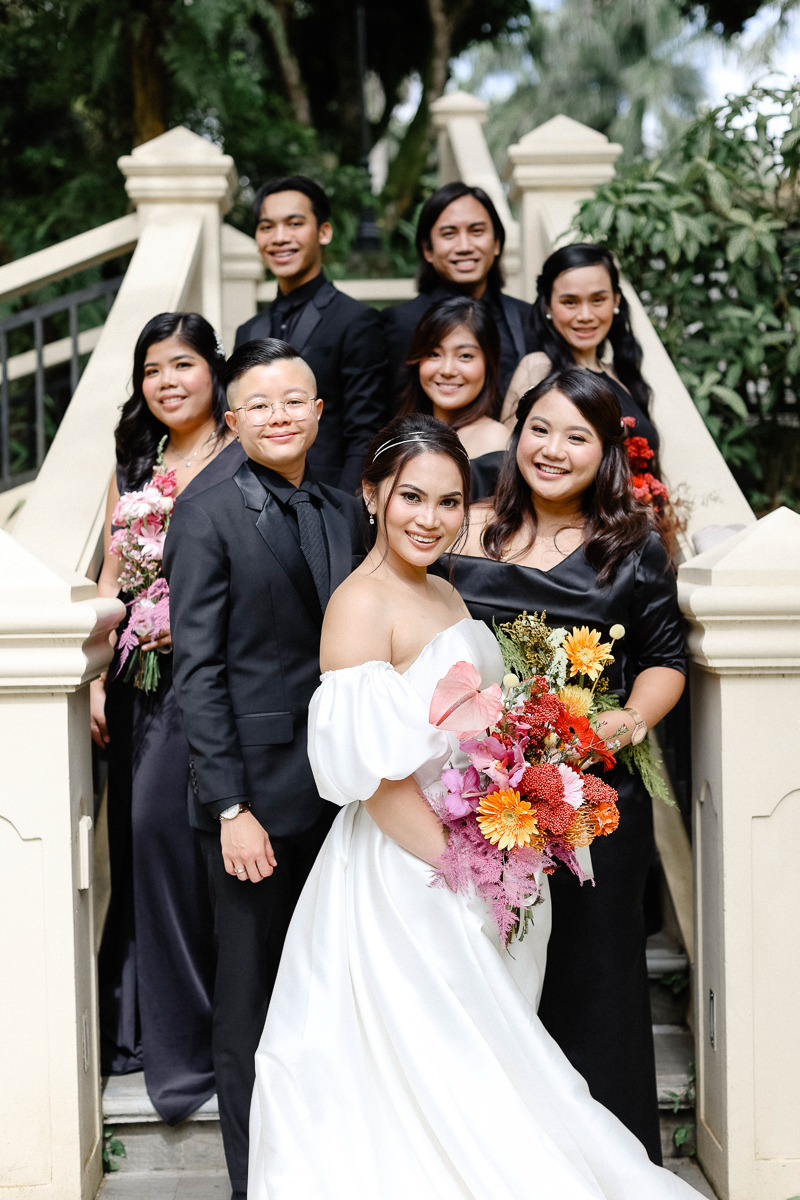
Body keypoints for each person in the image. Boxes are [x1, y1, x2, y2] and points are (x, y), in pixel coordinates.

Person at [247, 412, 696, 1199]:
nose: (431, 518)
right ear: (372, 495)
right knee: (438, 1064)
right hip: (407, 876)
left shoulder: (446, 590)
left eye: (450, 501)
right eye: (411, 497)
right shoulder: (360, 606)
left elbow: (473, 726)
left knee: (486, 1065)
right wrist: (468, 874)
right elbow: (378, 780)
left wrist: (518, 812)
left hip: (478, 848)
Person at [443, 368, 687, 1163]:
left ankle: (603, 1165)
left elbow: (664, 659)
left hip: (591, 799)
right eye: (539, 429)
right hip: (481, 797)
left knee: (593, 983)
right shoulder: (465, 526)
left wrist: (624, 721)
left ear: (606, 451)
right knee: (491, 979)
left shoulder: (634, 546)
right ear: (517, 434)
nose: (552, 449)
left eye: (577, 436)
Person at [163, 338, 363, 1199]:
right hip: (255, 805)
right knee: (248, 1003)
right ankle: (255, 1183)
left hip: (345, 797)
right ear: (233, 419)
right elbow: (198, 673)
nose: (279, 416)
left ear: (317, 411)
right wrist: (229, 806)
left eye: (294, 401)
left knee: (332, 991)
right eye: (260, 404)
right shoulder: (204, 515)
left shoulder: (343, 510)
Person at [92, 311, 240, 1124]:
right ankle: (148, 1033)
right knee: (145, 839)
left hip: (215, 678)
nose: (167, 382)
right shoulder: (135, 462)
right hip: (141, 682)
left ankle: (211, 1030)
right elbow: (112, 576)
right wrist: (93, 679)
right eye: (152, 370)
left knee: (195, 846)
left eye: (182, 364)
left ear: (213, 370)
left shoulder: (241, 450)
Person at [233, 175, 388, 493]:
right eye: (267, 226)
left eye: (294, 224)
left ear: (324, 232)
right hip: (255, 500)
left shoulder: (356, 320)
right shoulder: (248, 331)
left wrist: (344, 508)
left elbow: (366, 433)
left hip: (329, 495)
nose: (279, 237)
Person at [502, 243, 660, 455]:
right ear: (548, 305)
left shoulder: (621, 374)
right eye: (570, 302)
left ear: (616, 300)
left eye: (598, 300)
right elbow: (508, 457)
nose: (585, 316)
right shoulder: (538, 367)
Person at [383, 182, 534, 403]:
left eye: (476, 231)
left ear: (497, 243)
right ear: (427, 249)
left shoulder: (527, 319)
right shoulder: (401, 324)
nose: (464, 246)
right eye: (449, 234)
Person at [397, 295, 509, 499]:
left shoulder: (495, 441)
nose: (447, 370)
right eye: (434, 354)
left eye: (465, 356)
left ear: (488, 363)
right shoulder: (404, 432)